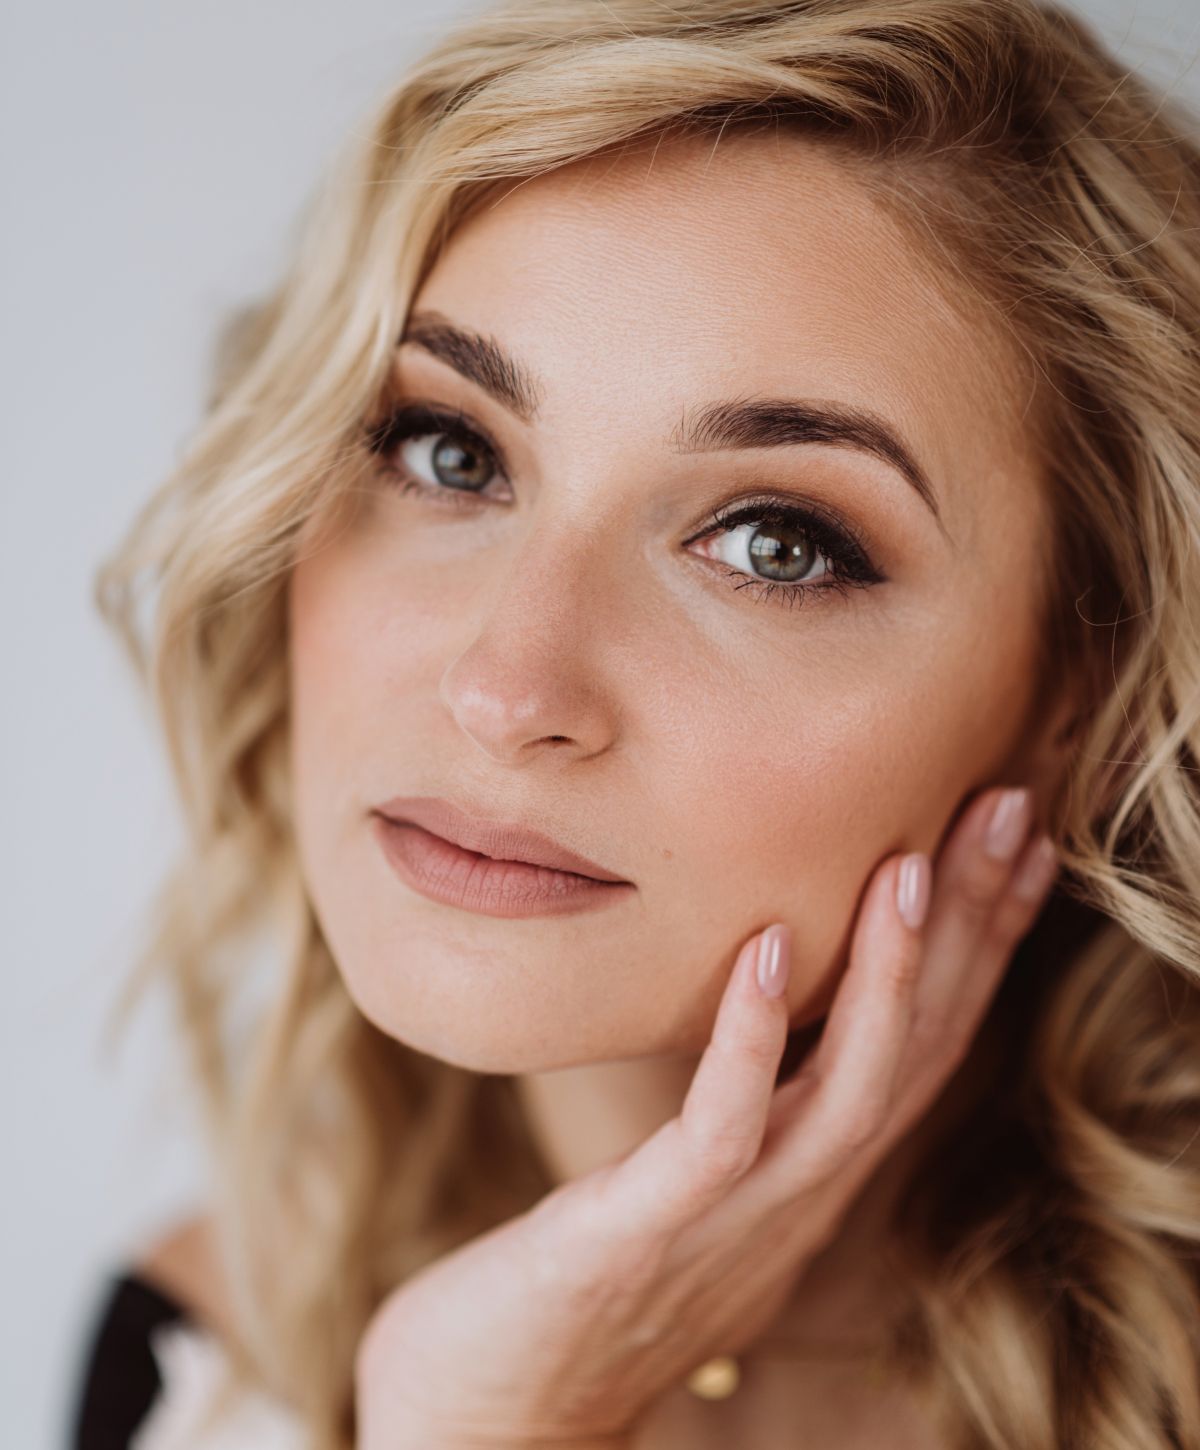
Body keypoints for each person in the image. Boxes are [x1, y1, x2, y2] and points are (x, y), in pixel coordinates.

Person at [67, 0, 1200, 1446]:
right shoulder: (211, 1356)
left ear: (1078, 698)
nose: (507, 688)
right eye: (451, 449)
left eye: (776, 543)